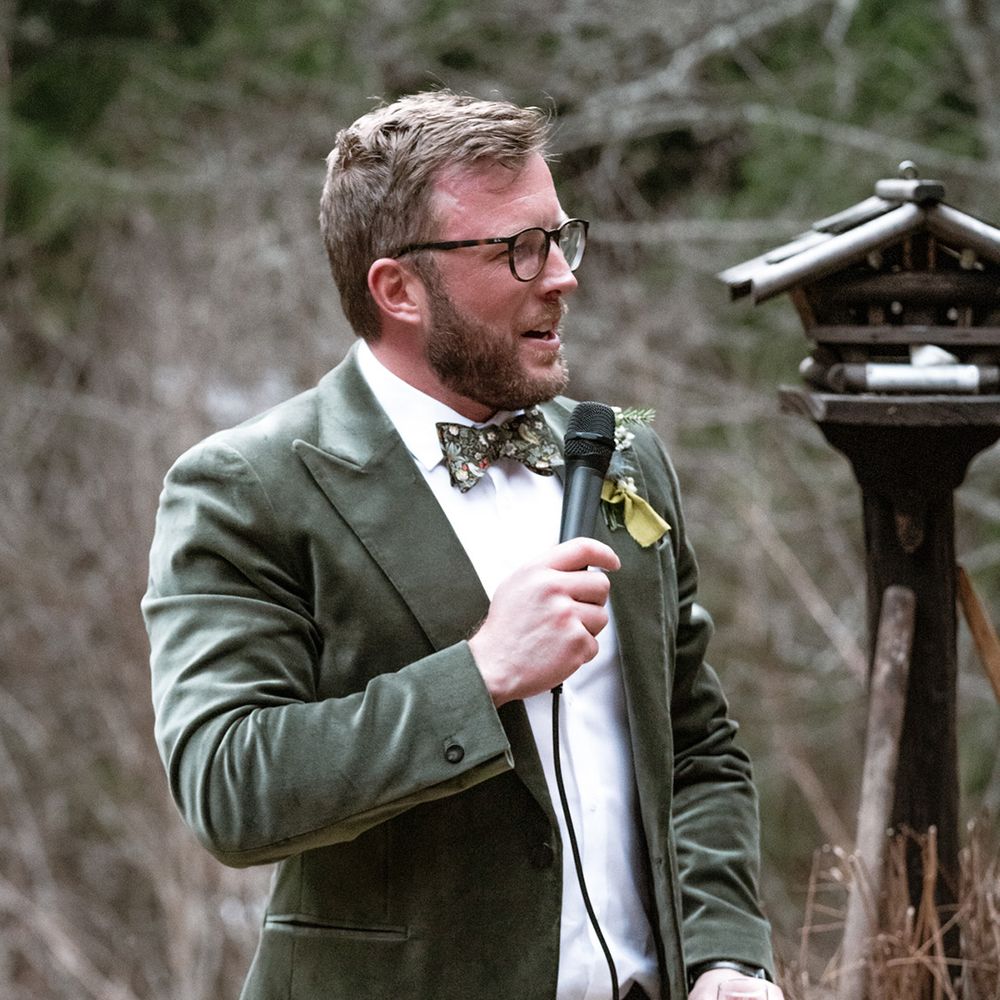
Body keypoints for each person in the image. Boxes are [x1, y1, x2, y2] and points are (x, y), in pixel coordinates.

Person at [143, 90, 784, 1000]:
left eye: (562, 236)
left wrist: (727, 952)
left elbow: (697, 743)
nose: (561, 275)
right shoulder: (246, 486)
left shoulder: (624, 451)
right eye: (518, 250)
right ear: (398, 288)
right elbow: (230, 787)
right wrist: (479, 673)